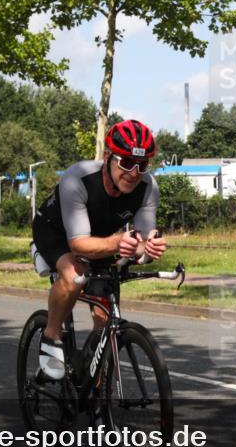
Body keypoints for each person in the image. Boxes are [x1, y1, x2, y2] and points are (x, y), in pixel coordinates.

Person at [31, 119, 167, 379]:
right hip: (56, 232)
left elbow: (141, 243)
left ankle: (94, 388)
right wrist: (118, 242)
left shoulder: (148, 188)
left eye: (142, 164)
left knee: (105, 320)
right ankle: (50, 335)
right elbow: (78, 244)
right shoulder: (78, 177)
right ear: (108, 157)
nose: (134, 172)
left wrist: (149, 247)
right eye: (126, 162)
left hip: (101, 239)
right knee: (74, 274)